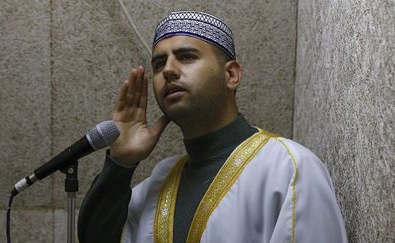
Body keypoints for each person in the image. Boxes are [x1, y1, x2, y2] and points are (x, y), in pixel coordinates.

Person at [78, 11, 348, 243]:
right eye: (159, 63)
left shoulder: (288, 167)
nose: (168, 70)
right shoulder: (161, 182)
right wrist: (121, 165)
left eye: (186, 57)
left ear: (231, 74)